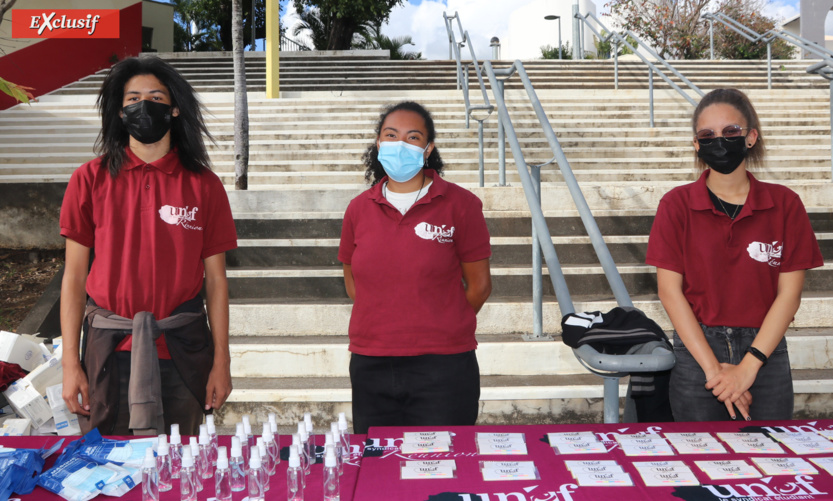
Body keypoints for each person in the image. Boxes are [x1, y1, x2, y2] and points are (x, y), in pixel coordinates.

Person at [59, 56, 237, 435]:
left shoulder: (204, 185)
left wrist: (222, 359)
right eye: (133, 98)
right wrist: (70, 364)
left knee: (180, 469)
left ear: (174, 109)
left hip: (182, 350)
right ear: (120, 113)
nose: (144, 105)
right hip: (107, 350)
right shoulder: (88, 180)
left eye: (156, 97)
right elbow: (74, 278)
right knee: (107, 471)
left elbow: (217, 282)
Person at [646, 88, 823, 422]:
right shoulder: (675, 205)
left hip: (766, 352)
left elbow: (790, 295)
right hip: (697, 353)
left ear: (751, 136)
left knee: (772, 460)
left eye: (731, 132)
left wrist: (748, 367)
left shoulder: (785, 204)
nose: (720, 141)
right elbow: (669, 291)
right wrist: (716, 372)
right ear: (696, 144)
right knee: (700, 463)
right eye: (707, 135)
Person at [338, 101, 492, 434]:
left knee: (444, 467)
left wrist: (440, 321)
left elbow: (479, 286)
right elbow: (352, 281)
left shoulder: (461, 206)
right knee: (378, 472)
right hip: (371, 366)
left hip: (444, 368)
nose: (400, 145)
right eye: (391, 136)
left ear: (428, 149)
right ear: (379, 144)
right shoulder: (358, 209)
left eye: (412, 137)